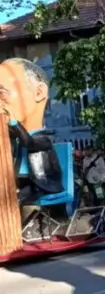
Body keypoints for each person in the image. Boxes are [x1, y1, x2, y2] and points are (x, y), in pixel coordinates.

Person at [1, 58, 63, 204]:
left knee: (15, 200)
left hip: (41, 184)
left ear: (39, 92)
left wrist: (14, 123)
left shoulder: (42, 139)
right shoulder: (11, 140)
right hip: (20, 182)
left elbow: (28, 142)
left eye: (1, 93)